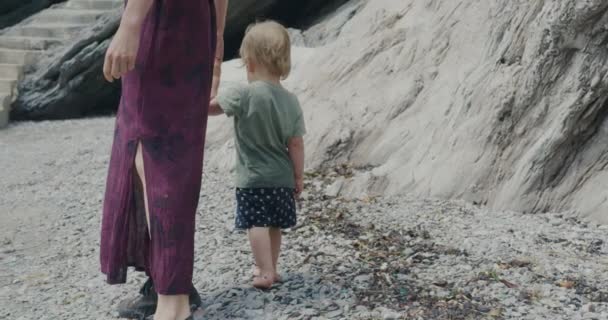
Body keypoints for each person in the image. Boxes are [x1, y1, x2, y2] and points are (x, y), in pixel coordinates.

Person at [99, 0, 228, 319]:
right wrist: (218, 36)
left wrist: (131, 22)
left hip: (162, 21)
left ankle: (173, 301)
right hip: (196, 21)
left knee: (154, 157)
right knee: (168, 155)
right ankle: (167, 283)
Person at [209, 20, 306, 289]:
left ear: (249, 63)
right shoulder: (291, 101)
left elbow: (214, 107)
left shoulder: (243, 93)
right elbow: (296, 144)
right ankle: (272, 268)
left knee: (257, 223)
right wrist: (298, 177)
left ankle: (263, 271)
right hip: (282, 178)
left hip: (253, 177)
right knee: (275, 225)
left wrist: (197, 103)